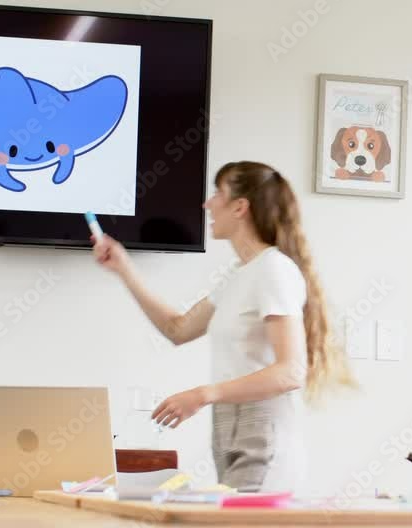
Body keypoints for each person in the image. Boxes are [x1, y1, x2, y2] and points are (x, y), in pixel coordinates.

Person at [93, 161, 354, 491]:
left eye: (218, 193)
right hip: (231, 434)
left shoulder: (273, 270)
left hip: (263, 441)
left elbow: (291, 372)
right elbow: (177, 329)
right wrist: (124, 269)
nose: (207, 204)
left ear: (240, 207)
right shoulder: (239, 275)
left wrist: (203, 395)